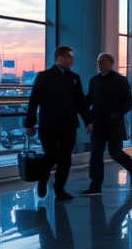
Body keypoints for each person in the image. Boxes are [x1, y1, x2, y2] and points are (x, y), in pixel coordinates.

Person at [25, 46, 90, 200]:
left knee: (65, 157)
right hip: (48, 124)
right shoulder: (44, 77)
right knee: (51, 154)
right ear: (58, 58)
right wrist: (29, 123)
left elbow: (80, 102)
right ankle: (43, 177)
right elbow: (34, 101)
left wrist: (88, 120)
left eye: (72, 57)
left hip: (68, 124)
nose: (71, 60)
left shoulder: (74, 78)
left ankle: (59, 189)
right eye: (68, 57)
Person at [81, 52, 132, 196]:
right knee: (96, 153)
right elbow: (89, 100)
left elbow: (128, 101)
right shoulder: (94, 80)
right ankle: (95, 185)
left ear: (110, 63)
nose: (99, 65)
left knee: (115, 152)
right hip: (98, 123)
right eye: (98, 63)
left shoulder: (120, 80)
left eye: (102, 62)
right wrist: (87, 118)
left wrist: (118, 113)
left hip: (114, 123)